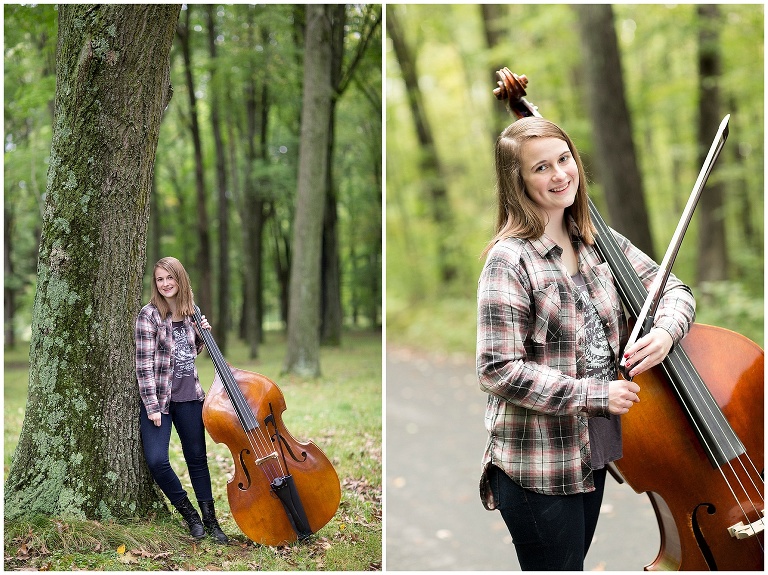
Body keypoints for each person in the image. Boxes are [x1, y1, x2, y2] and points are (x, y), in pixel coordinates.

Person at [476, 117, 695, 570]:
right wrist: (594, 394)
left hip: (591, 451)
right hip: (537, 462)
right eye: (541, 168)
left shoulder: (596, 240)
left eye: (564, 159)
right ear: (517, 181)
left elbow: (673, 289)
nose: (560, 174)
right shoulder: (509, 259)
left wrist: (665, 333)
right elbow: (497, 368)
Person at [135, 256, 229, 544]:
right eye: (160, 279)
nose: (165, 284)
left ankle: (211, 521)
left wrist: (203, 336)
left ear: (180, 279)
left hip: (190, 398)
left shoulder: (192, 312)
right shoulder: (148, 315)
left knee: (197, 460)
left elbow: (190, 352)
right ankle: (190, 515)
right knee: (156, 460)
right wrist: (152, 406)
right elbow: (144, 365)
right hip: (160, 402)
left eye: (170, 278)